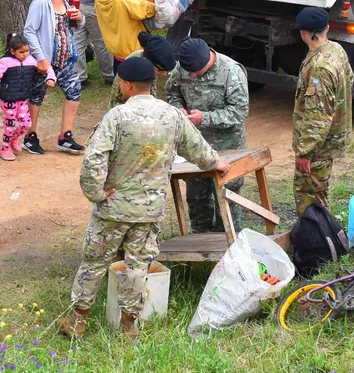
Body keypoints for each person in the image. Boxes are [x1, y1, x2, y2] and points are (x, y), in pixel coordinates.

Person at [57, 57, 231, 339]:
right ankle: (129, 325)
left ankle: (78, 320)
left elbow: (93, 160)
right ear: (152, 83)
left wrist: (96, 193)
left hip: (113, 208)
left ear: (125, 84)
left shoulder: (116, 116)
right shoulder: (172, 115)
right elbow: (197, 149)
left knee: (95, 262)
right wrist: (216, 162)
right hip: (148, 211)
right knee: (138, 266)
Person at [165, 38, 249, 234]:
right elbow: (172, 92)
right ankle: (200, 243)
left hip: (227, 146)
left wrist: (205, 118)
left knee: (227, 200)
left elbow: (239, 111)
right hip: (195, 147)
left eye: (196, 72)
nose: (192, 76)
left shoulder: (231, 71)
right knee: (197, 198)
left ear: (208, 60)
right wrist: (179, 109)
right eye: (189, 72)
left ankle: (229, 247)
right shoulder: (182, 68)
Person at [292, 7, 353, 216]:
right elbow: (349, 80)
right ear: (326, 28)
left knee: (310, 197)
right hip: (329, 139)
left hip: (318, 146)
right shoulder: (336, 50)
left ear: (303, 33)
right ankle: (323, 238)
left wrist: (305, 153)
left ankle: (317, 243)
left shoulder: (319, 67)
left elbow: (318, 117)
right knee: (319, 193)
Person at [22, 0, 85, 155]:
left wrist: (80, 17)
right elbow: (29, 31)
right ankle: (29, 136)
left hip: (66, 57)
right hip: (46, 60)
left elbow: (75, 25)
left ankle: (65, 135)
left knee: (74, 91)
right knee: (37, 95)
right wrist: (41, 59)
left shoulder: (67, 0)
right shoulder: (41, 2)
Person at [0, 33, 56, 161]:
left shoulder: (31, 61)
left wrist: (51, 77)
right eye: (22, 52)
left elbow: (46, 66)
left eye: (27, 51)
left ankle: (13, 138)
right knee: (10, 125)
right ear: (13, 51)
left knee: (26, 124)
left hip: (22, 98)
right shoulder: (5, 62)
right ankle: (5, 148)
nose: (25, 54)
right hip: (8, 100)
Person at [93, 0, 156, 70]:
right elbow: (150, 8)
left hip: (117, 51)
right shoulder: (122, 0)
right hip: (133, 52)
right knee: (136, 82)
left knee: (120, 81)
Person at [108, 31, 176, 109]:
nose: (164, 74)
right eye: (159, 70)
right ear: (147, 60)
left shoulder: (151, 61)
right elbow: (116, 103)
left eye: (167, 71)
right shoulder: (129, 70)